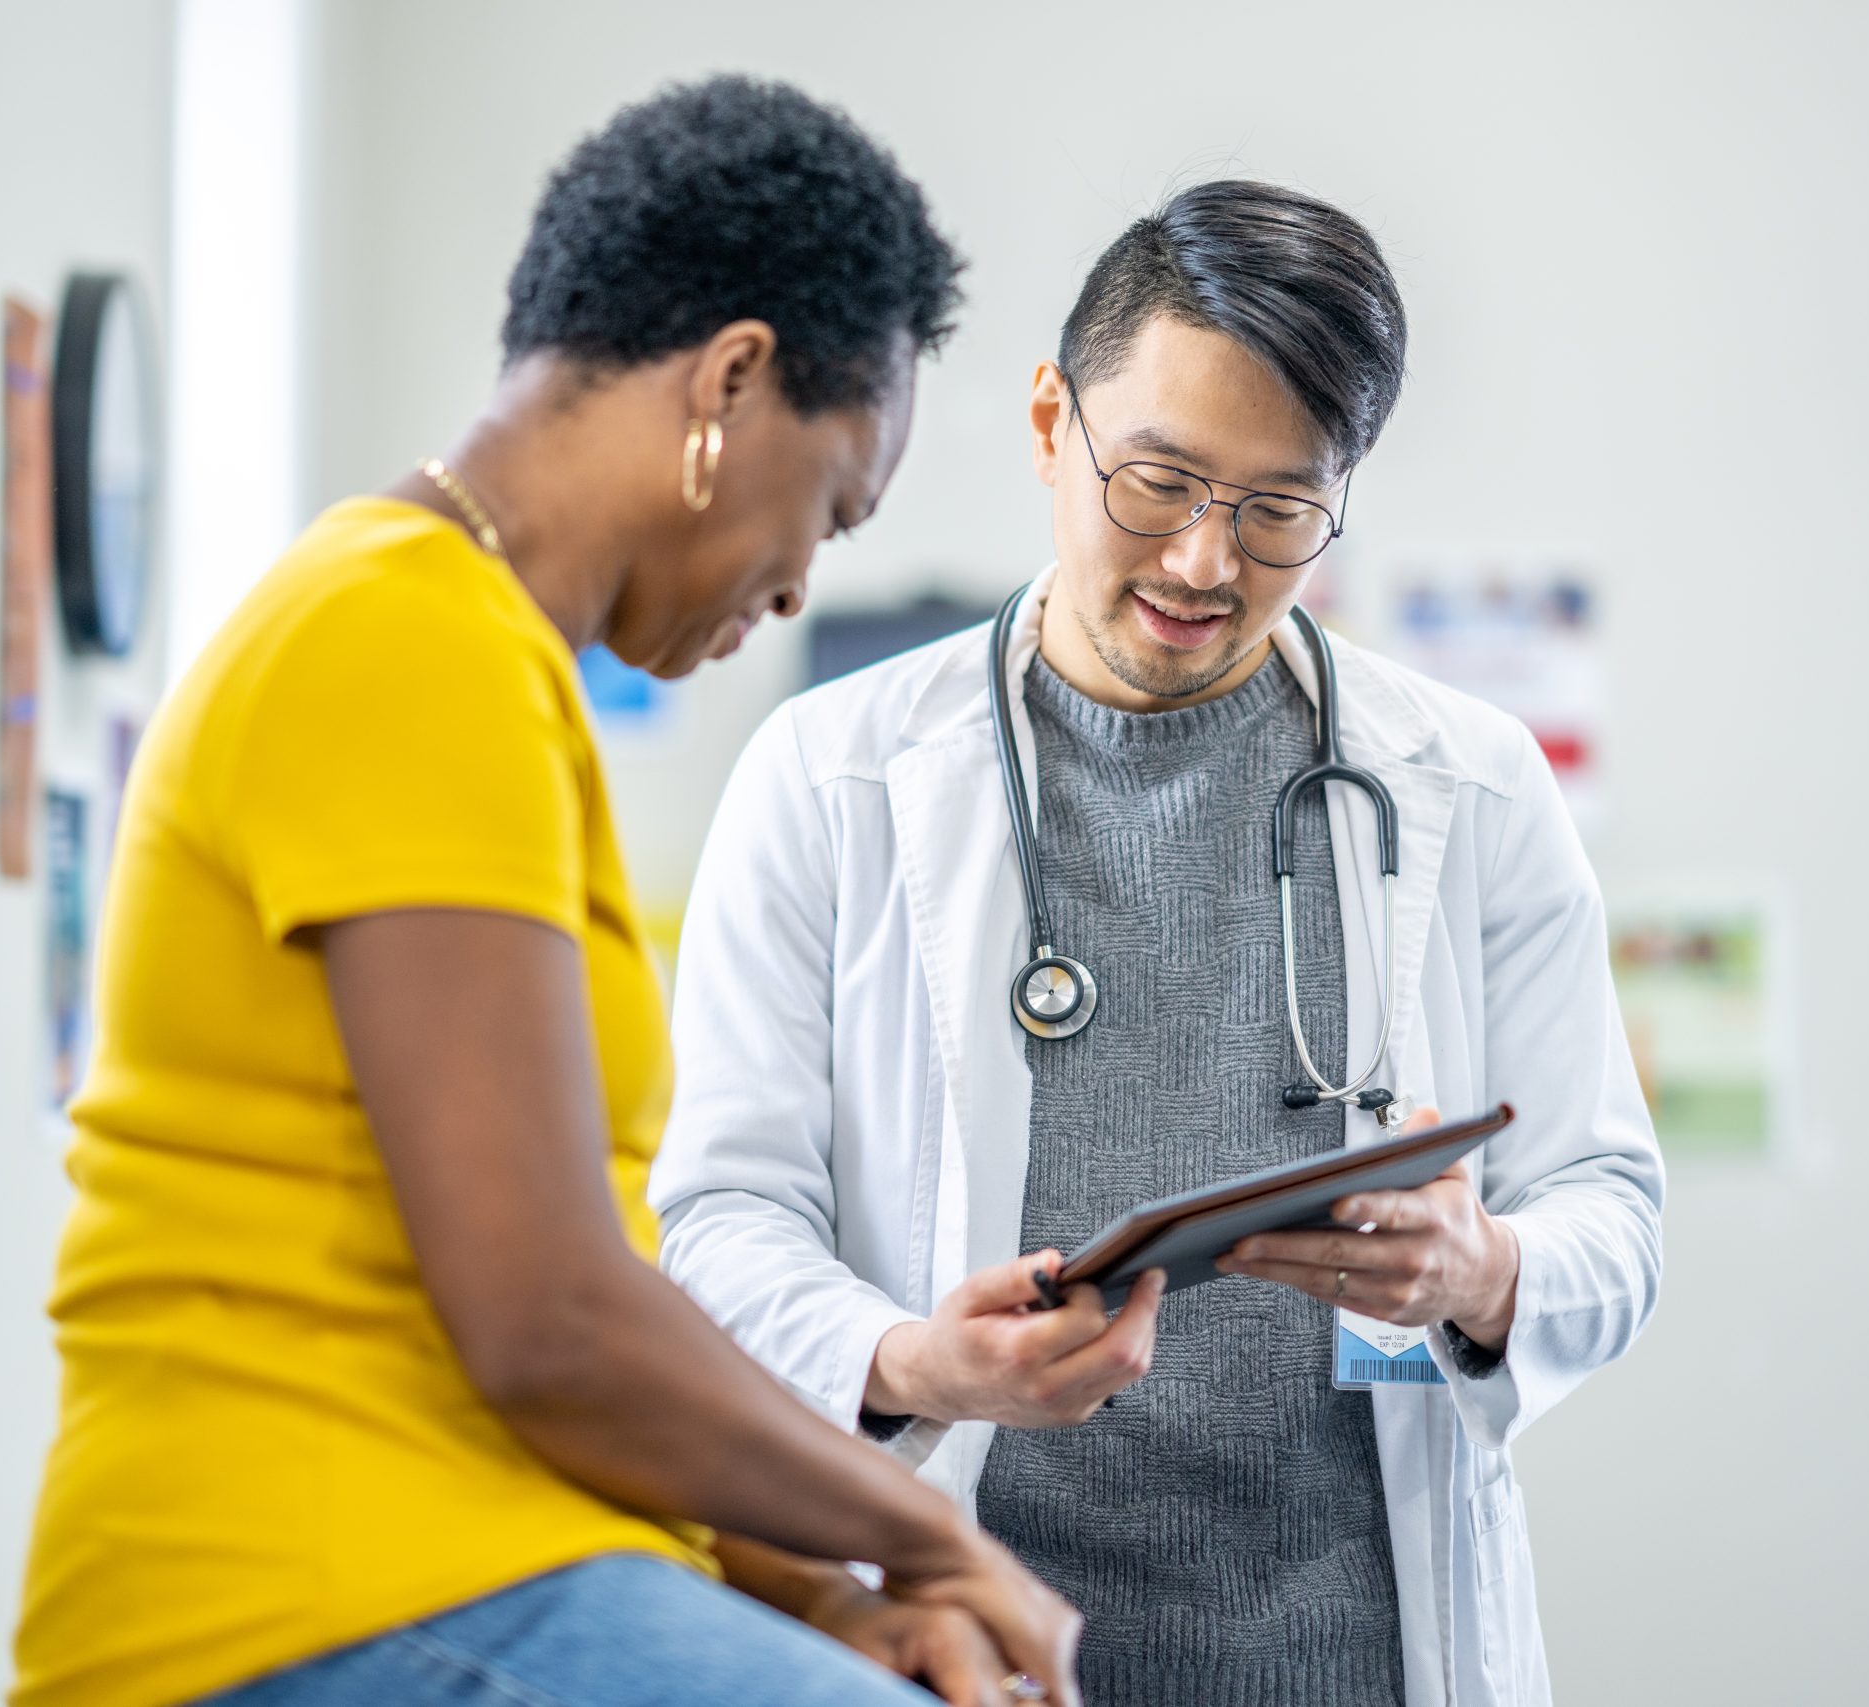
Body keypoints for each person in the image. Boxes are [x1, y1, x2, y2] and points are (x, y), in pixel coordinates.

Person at [12, 77, 1083, 1707]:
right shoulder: (399, 634)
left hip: (490, 1560)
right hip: (287, 1596)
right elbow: (549, 1323)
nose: (803, 579)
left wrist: (831, 1596)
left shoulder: (485, 665)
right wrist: (936, 1546)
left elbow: (575, 1314)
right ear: (730, 381)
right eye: (832, 503)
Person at [651, 180, 1666, 1706]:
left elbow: (1614, 1211)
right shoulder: (832, 778)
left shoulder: (1468, 783)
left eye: (1278, 510)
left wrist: (1484, 1266)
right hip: (972, 1645)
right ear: (1054, 422)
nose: (1204, 562)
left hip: (1361, 1662)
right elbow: (719, 1226)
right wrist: (911, 1364)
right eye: (1159, 482)